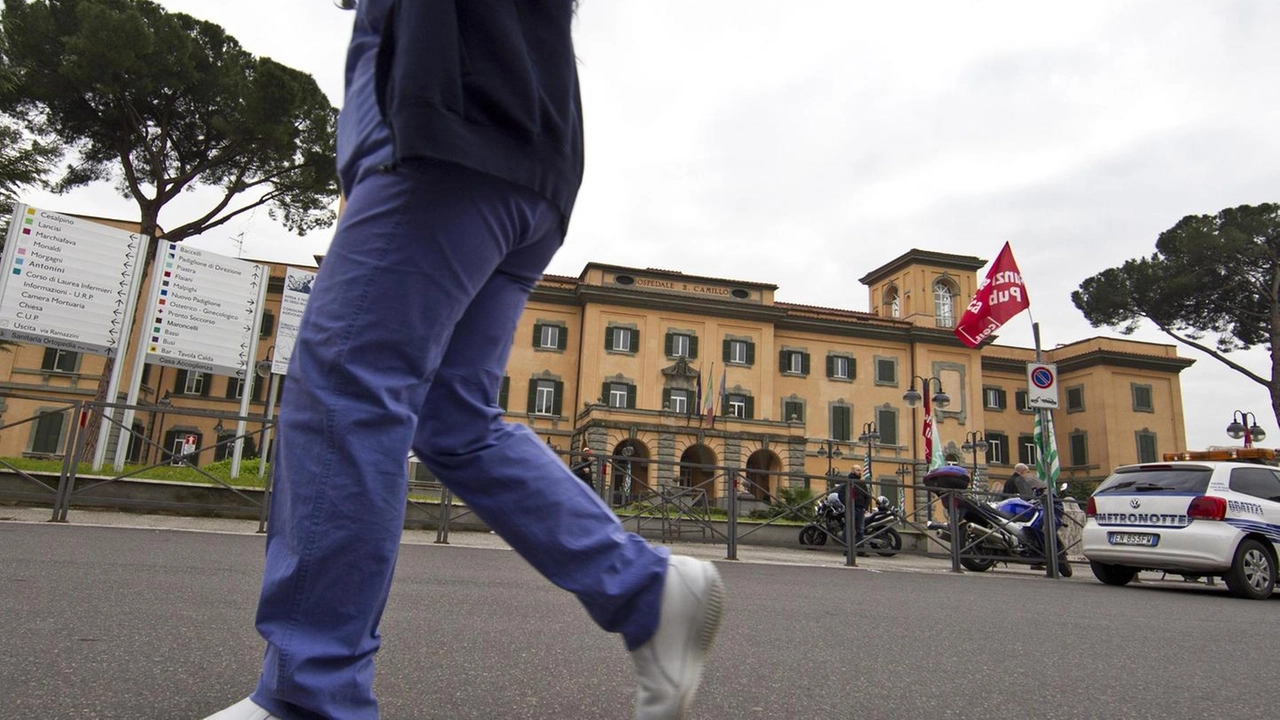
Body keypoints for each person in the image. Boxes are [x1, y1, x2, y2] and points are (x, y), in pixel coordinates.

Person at [205, 3, 725, 719]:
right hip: (525, 160)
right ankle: (644, 589)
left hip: (442, 134)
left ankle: (311, 697)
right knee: (455, 417)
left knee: (346, 394)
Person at [847, 466, 873, 557]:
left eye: (860, 470)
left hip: (860, 508)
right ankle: (847, 549)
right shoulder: (848, 481)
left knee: (860, 530)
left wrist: (865, 507)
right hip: (851, 508)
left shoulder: (862, 483)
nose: (860, 472)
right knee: (849, 528)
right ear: (853, 470)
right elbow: (842, 494)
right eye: (858, 470)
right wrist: (847, 505)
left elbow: (867, 495)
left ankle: (860, 550)